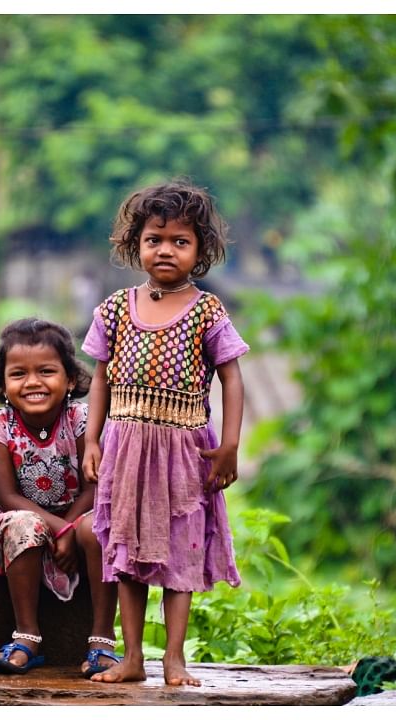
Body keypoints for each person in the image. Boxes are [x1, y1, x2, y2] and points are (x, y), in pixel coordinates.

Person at [81, 180, 248, 687]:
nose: (166, 249)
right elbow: (100, 380)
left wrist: (230, 446)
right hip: (125, 448)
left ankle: (173, 659)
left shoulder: (206, 311)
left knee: (182, 551)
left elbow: (232, 378)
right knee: (127, 554)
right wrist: (91, 439)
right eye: (155, 238)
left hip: (186, 450)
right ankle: (132, 658)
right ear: (137, 245)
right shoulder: (113, 309)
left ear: (200, 251)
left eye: (180, 241)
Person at [0, 318, 121, 678]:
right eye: (18, 373)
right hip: (22, 518)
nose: (33, 382)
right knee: (25, 524)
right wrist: (59, 529)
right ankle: (27, 637)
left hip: (81, 513)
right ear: (4, 384)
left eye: (47, 371)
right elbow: (6, 496)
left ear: (70, 379)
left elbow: (94, 486)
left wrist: (71, 527)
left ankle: (102, 639)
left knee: (99, 525)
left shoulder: (83, 420)